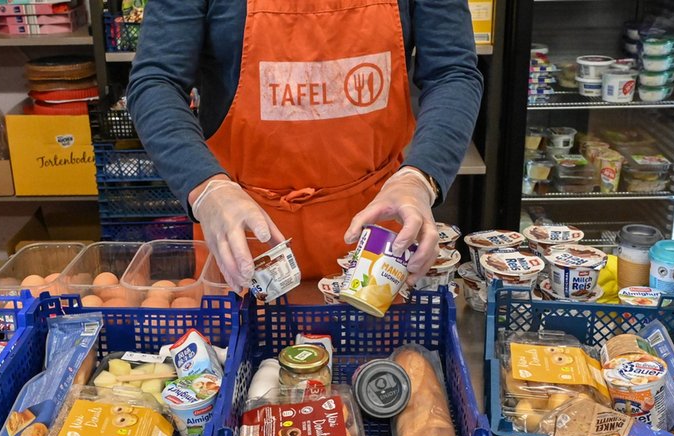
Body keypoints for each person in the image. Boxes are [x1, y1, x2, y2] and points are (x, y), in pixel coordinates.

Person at [127, 0, 483, 294]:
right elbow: (156, 80)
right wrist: (207, 188)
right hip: (243, 225)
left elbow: (452, 71)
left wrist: (419, 178)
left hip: (377, 229)